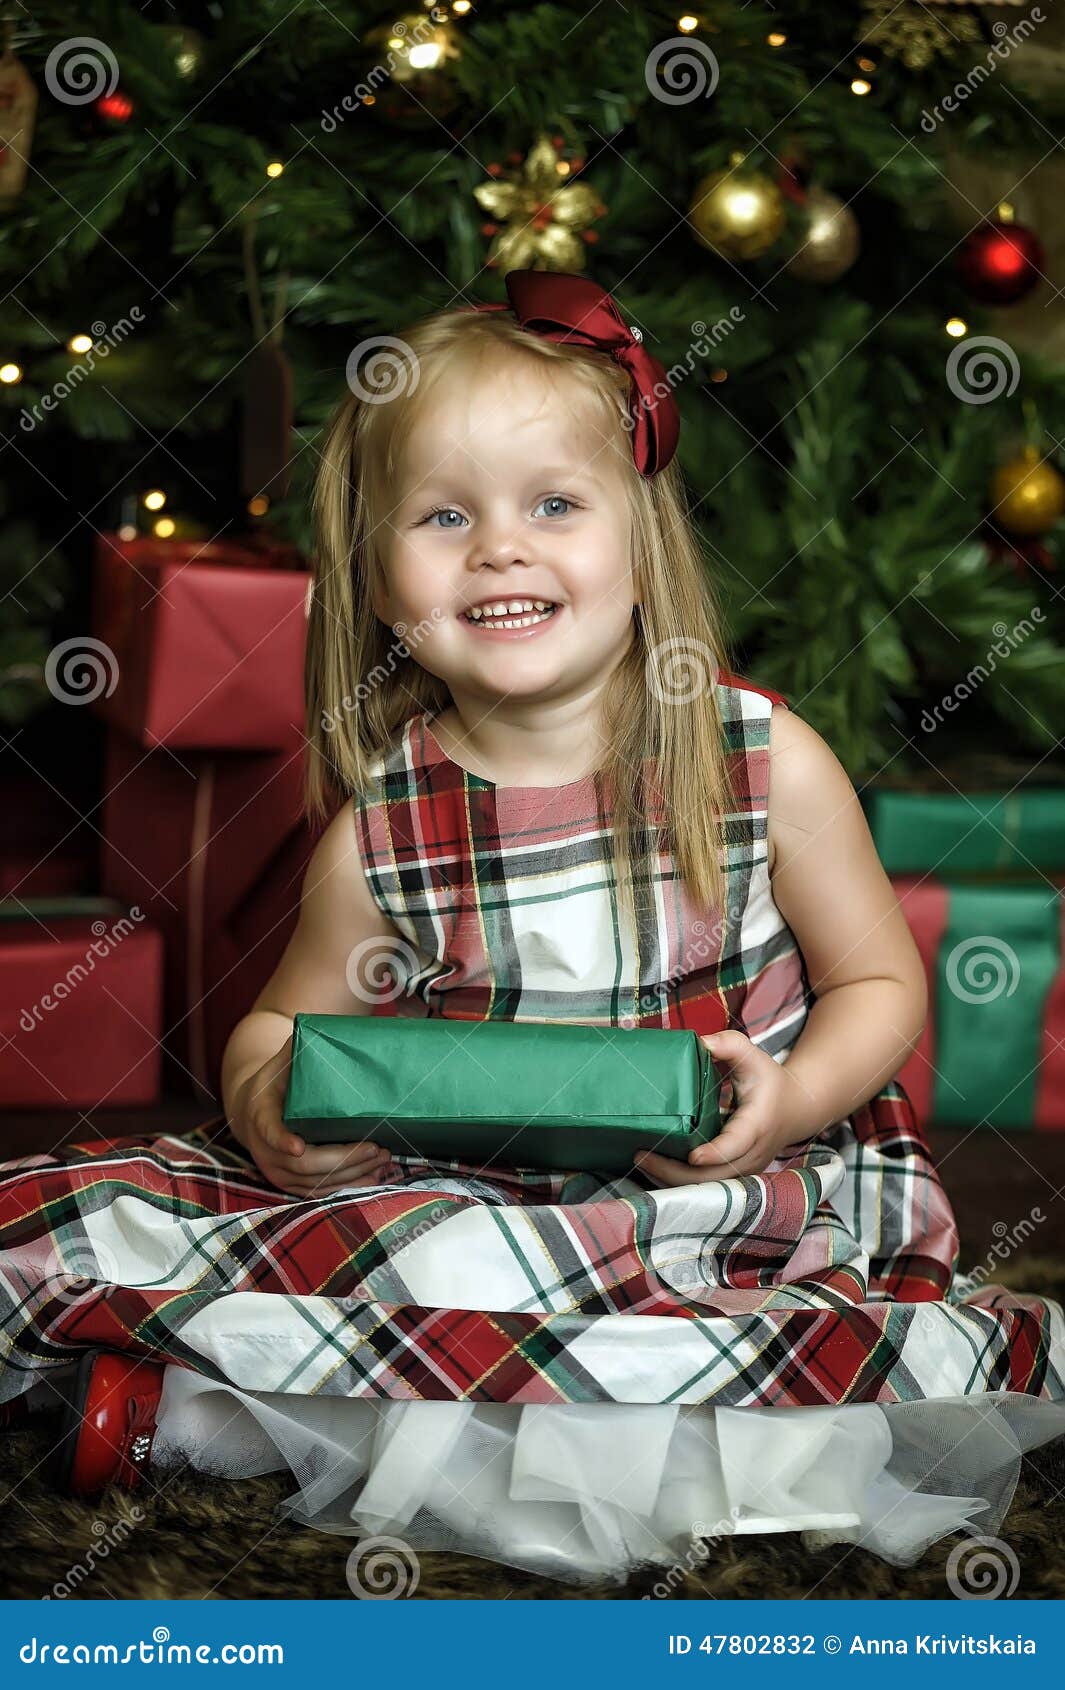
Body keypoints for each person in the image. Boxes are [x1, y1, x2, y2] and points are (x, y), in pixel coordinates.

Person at [2, 272, 1063, 1588]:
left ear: (639, 535)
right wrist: (269, 1102)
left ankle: (222, 1417)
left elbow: (878, 981)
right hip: (483, 1185)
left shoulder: (756, 763)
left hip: (723, 1194)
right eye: (443, 516)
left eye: (553, 504)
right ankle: (197, 1412)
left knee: (780, 1406)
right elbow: (281, 1016)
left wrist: (789, 1098)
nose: (499, 548)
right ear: (382, 577)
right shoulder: (385, 823)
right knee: (441, 1263)